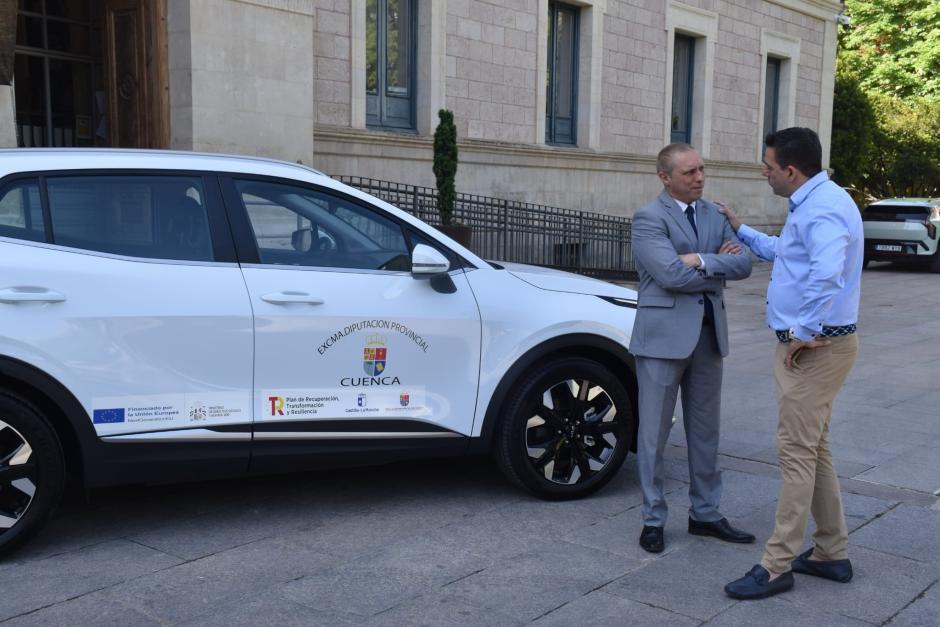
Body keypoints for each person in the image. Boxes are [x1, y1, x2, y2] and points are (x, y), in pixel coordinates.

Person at [721, 127, 863, 600]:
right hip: (819, 346)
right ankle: (830, 553)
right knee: (815, 448)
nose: (763, 172)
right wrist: (742, 230)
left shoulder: (821, 208)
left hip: (814, 350)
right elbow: (791, 255)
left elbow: (827, 272)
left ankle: (777, 564)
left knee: (796, 454)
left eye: (767, 165)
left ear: (790, 170)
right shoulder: (816, 201)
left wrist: (802, 333)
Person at [630, 143, 754, 554]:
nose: (699, 178)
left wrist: (698, 261)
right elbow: (667, 275)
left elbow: (744, 264)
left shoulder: (714, 214)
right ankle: (653, 519)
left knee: (705, 431)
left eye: (702, 169)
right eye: (689, 173)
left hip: (707, 336)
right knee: (653, 435)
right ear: (665, 178)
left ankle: (705, 513)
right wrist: (714, 263)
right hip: (662, 339)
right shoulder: (649, 217)